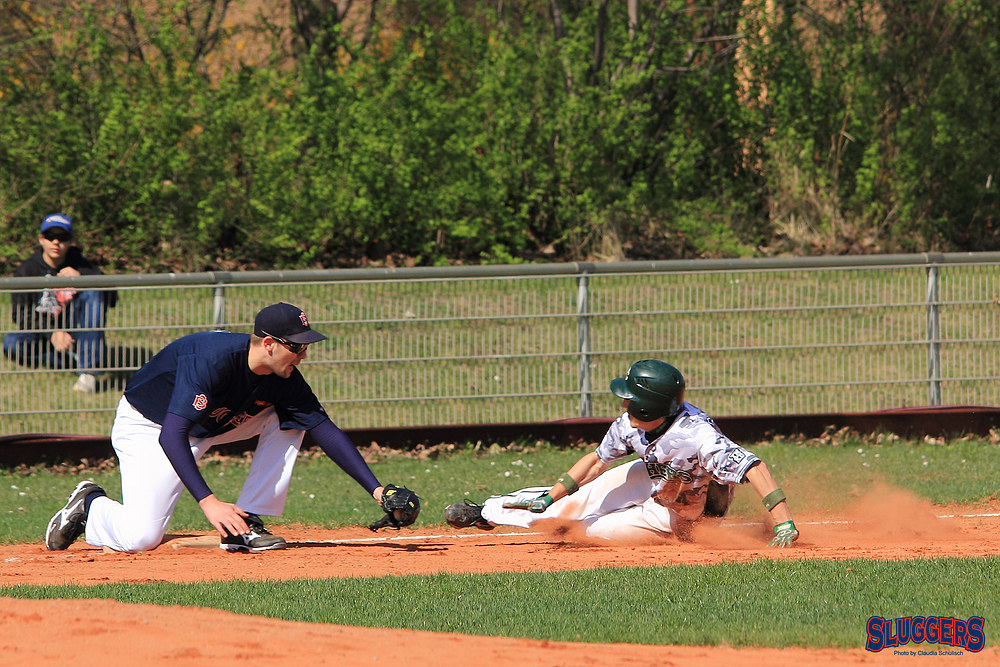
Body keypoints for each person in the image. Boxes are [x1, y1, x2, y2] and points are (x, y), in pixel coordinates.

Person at [44, 302, 419, 552]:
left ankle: (247, 521)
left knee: (291, 418)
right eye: (297, 347)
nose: (304, 355)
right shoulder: (211, 359)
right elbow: (171, 434)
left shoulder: (283, 375)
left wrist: (378, 490)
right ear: (270, 344)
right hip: (150, 427)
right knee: (141, 537)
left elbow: (322, 427)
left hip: (211, 424)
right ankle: (90, 504)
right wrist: (209, 503)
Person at [444, 359, 800, 547]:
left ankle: (760, 531)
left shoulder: (698, 437)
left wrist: (783, 520)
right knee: (564, 506)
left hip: (683, 512)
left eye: (631, 397)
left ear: (649, 406)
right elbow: (598, 461)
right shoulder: (630, 424)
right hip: (648, 475)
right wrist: (549, 497)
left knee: (582, 531)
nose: (624, 401)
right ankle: (487, 511)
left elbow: (753, 465)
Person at [3, 213, 117, 393]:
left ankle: (88, 372)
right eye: (50, 236)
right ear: (41, 239)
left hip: (76, 331)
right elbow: (21, 314)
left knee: (94, 291)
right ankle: (72, 360)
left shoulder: (81, 264)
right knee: (11, 344)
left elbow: (111, 299)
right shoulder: (27, 270)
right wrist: (52, 333)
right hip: (43, 333)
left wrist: (84, 279)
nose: (56, 242)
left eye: (62, 237)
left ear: (71, 241)